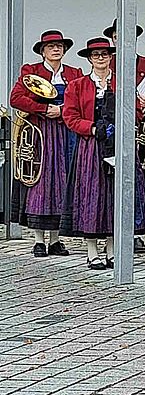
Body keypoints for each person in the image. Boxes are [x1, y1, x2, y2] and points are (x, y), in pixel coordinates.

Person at [61, 37, 145, 269]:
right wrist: (92, 128)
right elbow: (70, 117)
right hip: (91, 148)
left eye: (105, 54)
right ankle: (92, 251)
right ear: (90, 59)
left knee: (115, 195)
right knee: (91, 196)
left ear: (111, 57)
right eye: (96, 55)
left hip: (118, 145)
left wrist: (125, 125)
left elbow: (136, 112)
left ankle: (112, 249)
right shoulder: (78, 85)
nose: (101, 58)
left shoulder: (122, 81)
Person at [9, 30, 82, 256]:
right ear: (43, 51)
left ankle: (55, 240)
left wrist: (62, 110)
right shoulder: (31, 71)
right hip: (39, 132)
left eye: (59, 46)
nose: (56, 49)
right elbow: (16, 99)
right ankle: (39, 240)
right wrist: (43, 109)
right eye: (51, 47)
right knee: (40, 181)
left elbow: (79, 98)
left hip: (66, 131)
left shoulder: (74, 73)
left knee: (62, 180)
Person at [104, 18, 145, 254]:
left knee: (139, 181)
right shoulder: (106, 64)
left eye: (128, 35)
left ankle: (135, 231)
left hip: (142, 127)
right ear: (113, 39)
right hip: (114, 130)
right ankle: (113, 228)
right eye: (118, 36)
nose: (123, 39)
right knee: (111, 181)